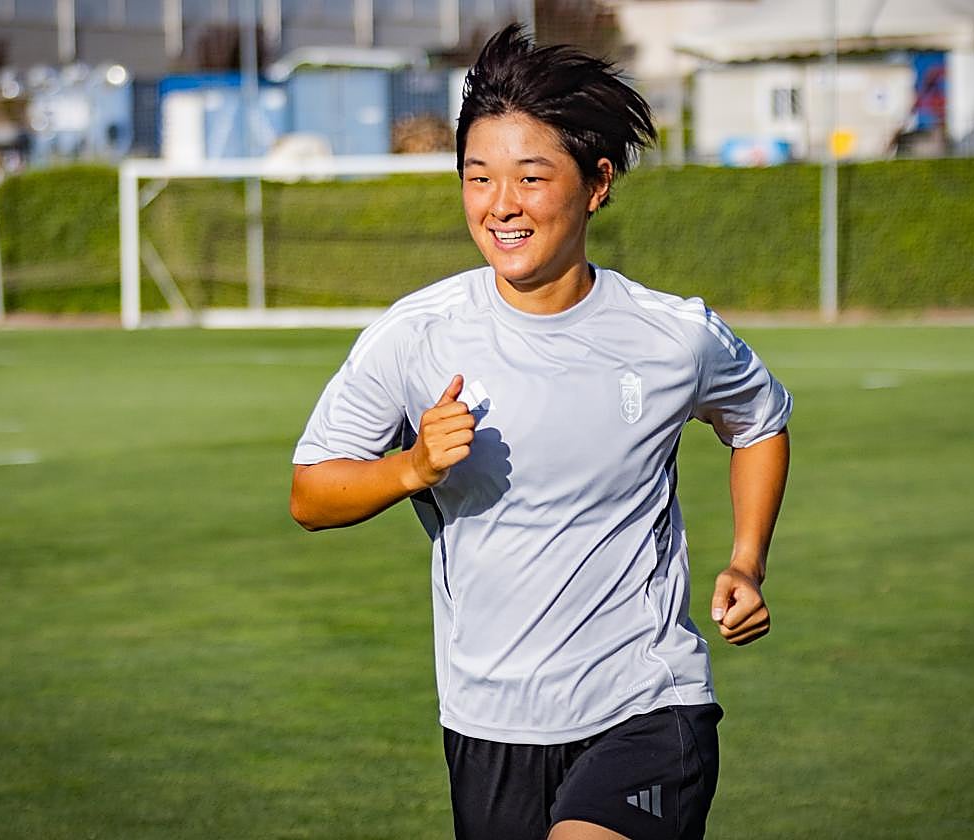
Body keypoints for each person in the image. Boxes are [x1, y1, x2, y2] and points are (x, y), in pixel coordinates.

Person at [290, 25, 792, 840]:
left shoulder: (675, 336)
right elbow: (310, 494)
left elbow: (760, 422)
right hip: (490, 719)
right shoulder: (417, 334)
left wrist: (746, 559)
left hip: (646, 699)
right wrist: (411, 467)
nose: (500, 205)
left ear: (597, 184)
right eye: (478, 177)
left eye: (530, 176)